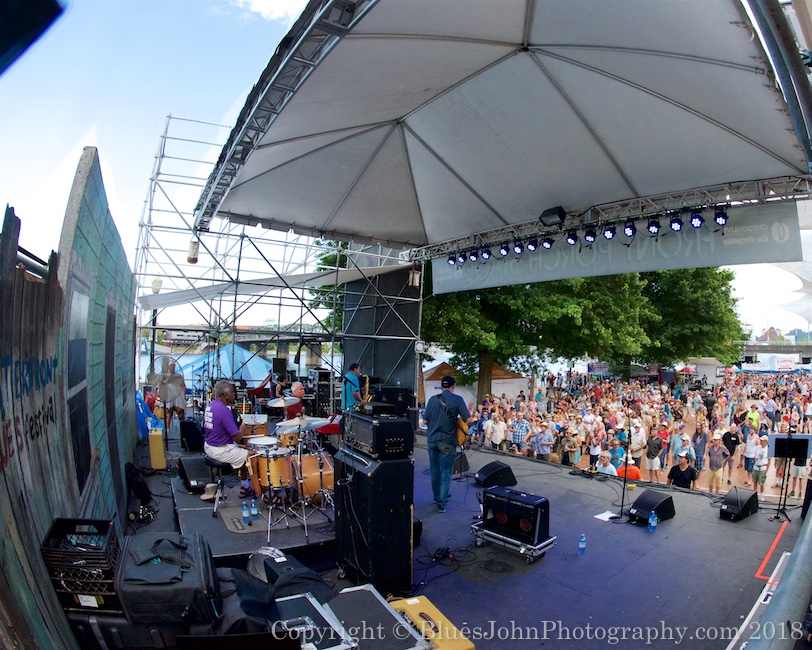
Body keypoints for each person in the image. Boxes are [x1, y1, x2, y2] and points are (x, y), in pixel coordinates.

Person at [203, 380, 261, 499]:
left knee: (246, 449)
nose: (235, 395)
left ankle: (245, 486)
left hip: (210, 445)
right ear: (226, 395)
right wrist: (244, 426)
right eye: (233, 393)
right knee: (252, 456)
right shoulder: (224, 411)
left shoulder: (211, 405)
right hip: (221, 450)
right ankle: (259, 491)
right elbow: (237, 437)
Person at [422, 376, 471, 512]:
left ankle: (437, 496)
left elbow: (425, 421)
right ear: (453, 386)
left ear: (441, 386)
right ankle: (441, 502)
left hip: (432, 439)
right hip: (447, 440)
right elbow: (469, 419)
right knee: (445, 472)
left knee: (435, 470)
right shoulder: (457, 400)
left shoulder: (432, 399)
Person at [162, 360, 186, 432]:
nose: (172, 367)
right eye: (170, 366)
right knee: (168, 414)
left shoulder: (179, 376)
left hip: (178, 396)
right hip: (169, 397)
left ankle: (183, 430)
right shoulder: (165, 376)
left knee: (181, 412)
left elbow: (183, 386)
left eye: (173, 366)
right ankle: (167, 429)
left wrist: (183, 395)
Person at [751, 435, 770, 501]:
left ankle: (762, 495)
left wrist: (767, 469)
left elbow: (769, 460)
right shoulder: (757, 448)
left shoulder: (767, 449)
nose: (761, 442)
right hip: (756, 466)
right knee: (755, 481)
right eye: (760, 440)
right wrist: (755, 458)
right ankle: (754, 494)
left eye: (762, 441)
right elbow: (754, 455)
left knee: (762, 482)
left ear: (765, 441)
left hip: (763, 467)